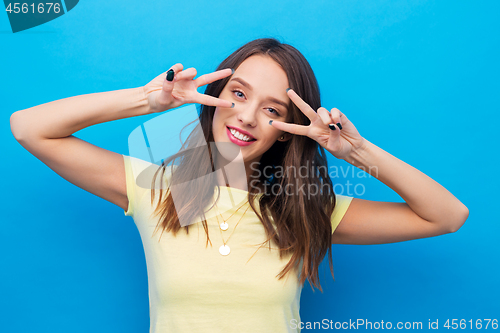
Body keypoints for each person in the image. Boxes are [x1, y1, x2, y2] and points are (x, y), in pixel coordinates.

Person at [10, 38, 469, 333]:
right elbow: (30, 128)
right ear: (215, 98)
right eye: (239, 93)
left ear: (290, 128)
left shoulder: (307, 210)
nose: (248, 116)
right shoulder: (155, 189)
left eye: (274, 110)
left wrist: (355, 152)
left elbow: (447, 215)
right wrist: (148, 101)